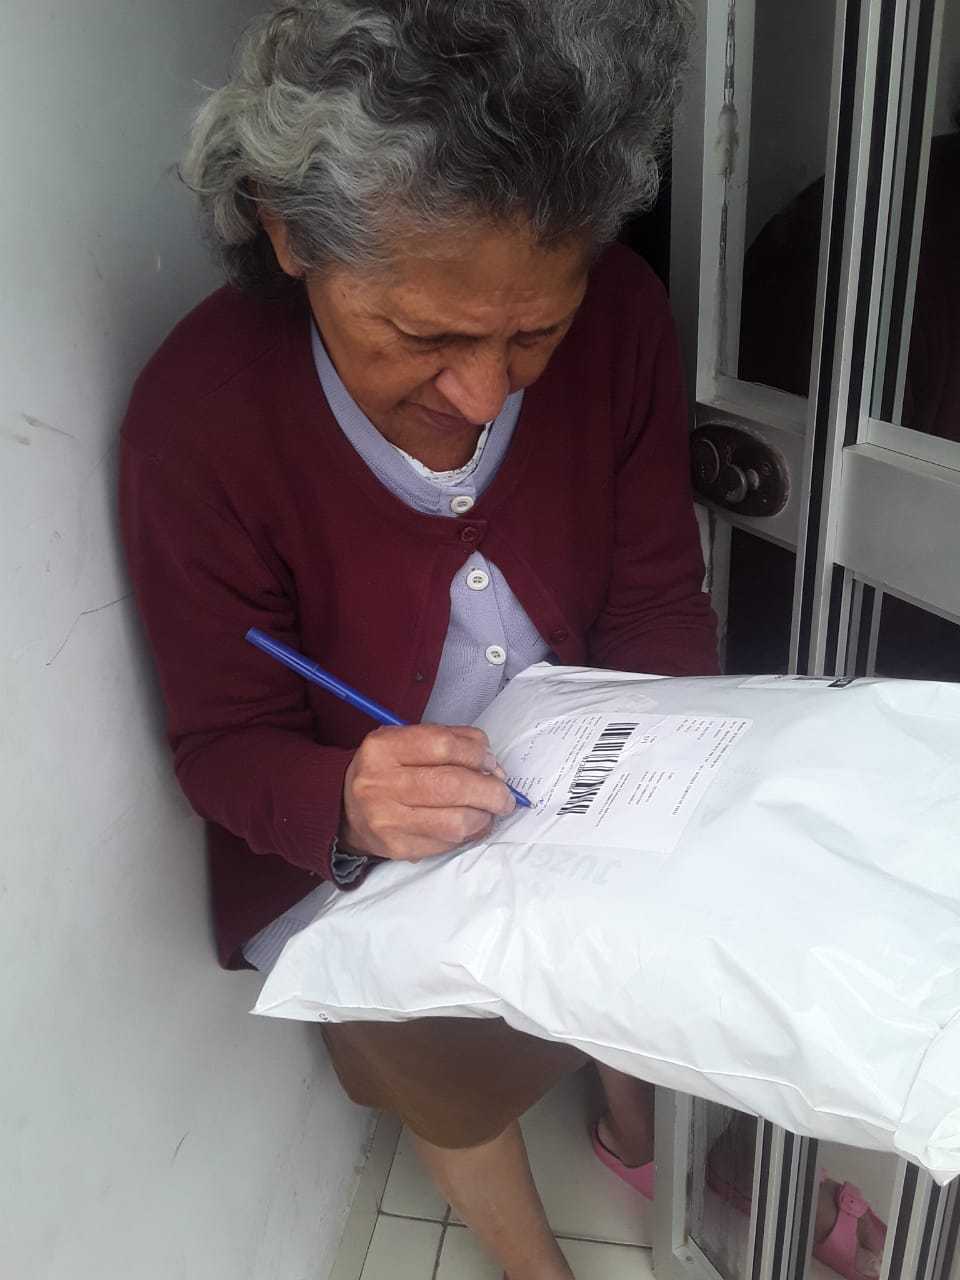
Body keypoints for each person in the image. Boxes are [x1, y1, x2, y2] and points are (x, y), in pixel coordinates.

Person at [119, 3, 883, 1277]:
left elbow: (654, 598)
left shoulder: (622, 316)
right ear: (289, 230)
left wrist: (666, 787)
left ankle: (651, 1123)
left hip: (588, 770)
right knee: (426, 1039)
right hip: (374, 826)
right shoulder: (196, 425)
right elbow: (221, 744)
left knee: (699, 927)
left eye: (535, 333)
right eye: (425, 335)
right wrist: (347, 800)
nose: (483, 393)